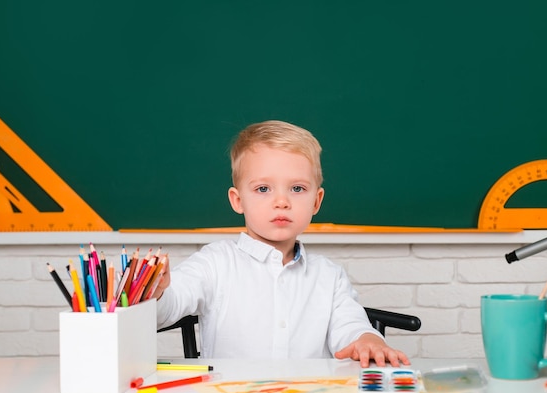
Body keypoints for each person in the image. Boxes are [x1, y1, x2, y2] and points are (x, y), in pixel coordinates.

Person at [153, 120, 409, 367]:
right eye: (263, 189)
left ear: (316, 202)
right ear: (238, 200)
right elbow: (167, 308)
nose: (282, 201)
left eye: (297, 189)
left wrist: (368, 339)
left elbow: (351, 326)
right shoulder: (215, 262)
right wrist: (158, 291)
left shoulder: (329, 276)